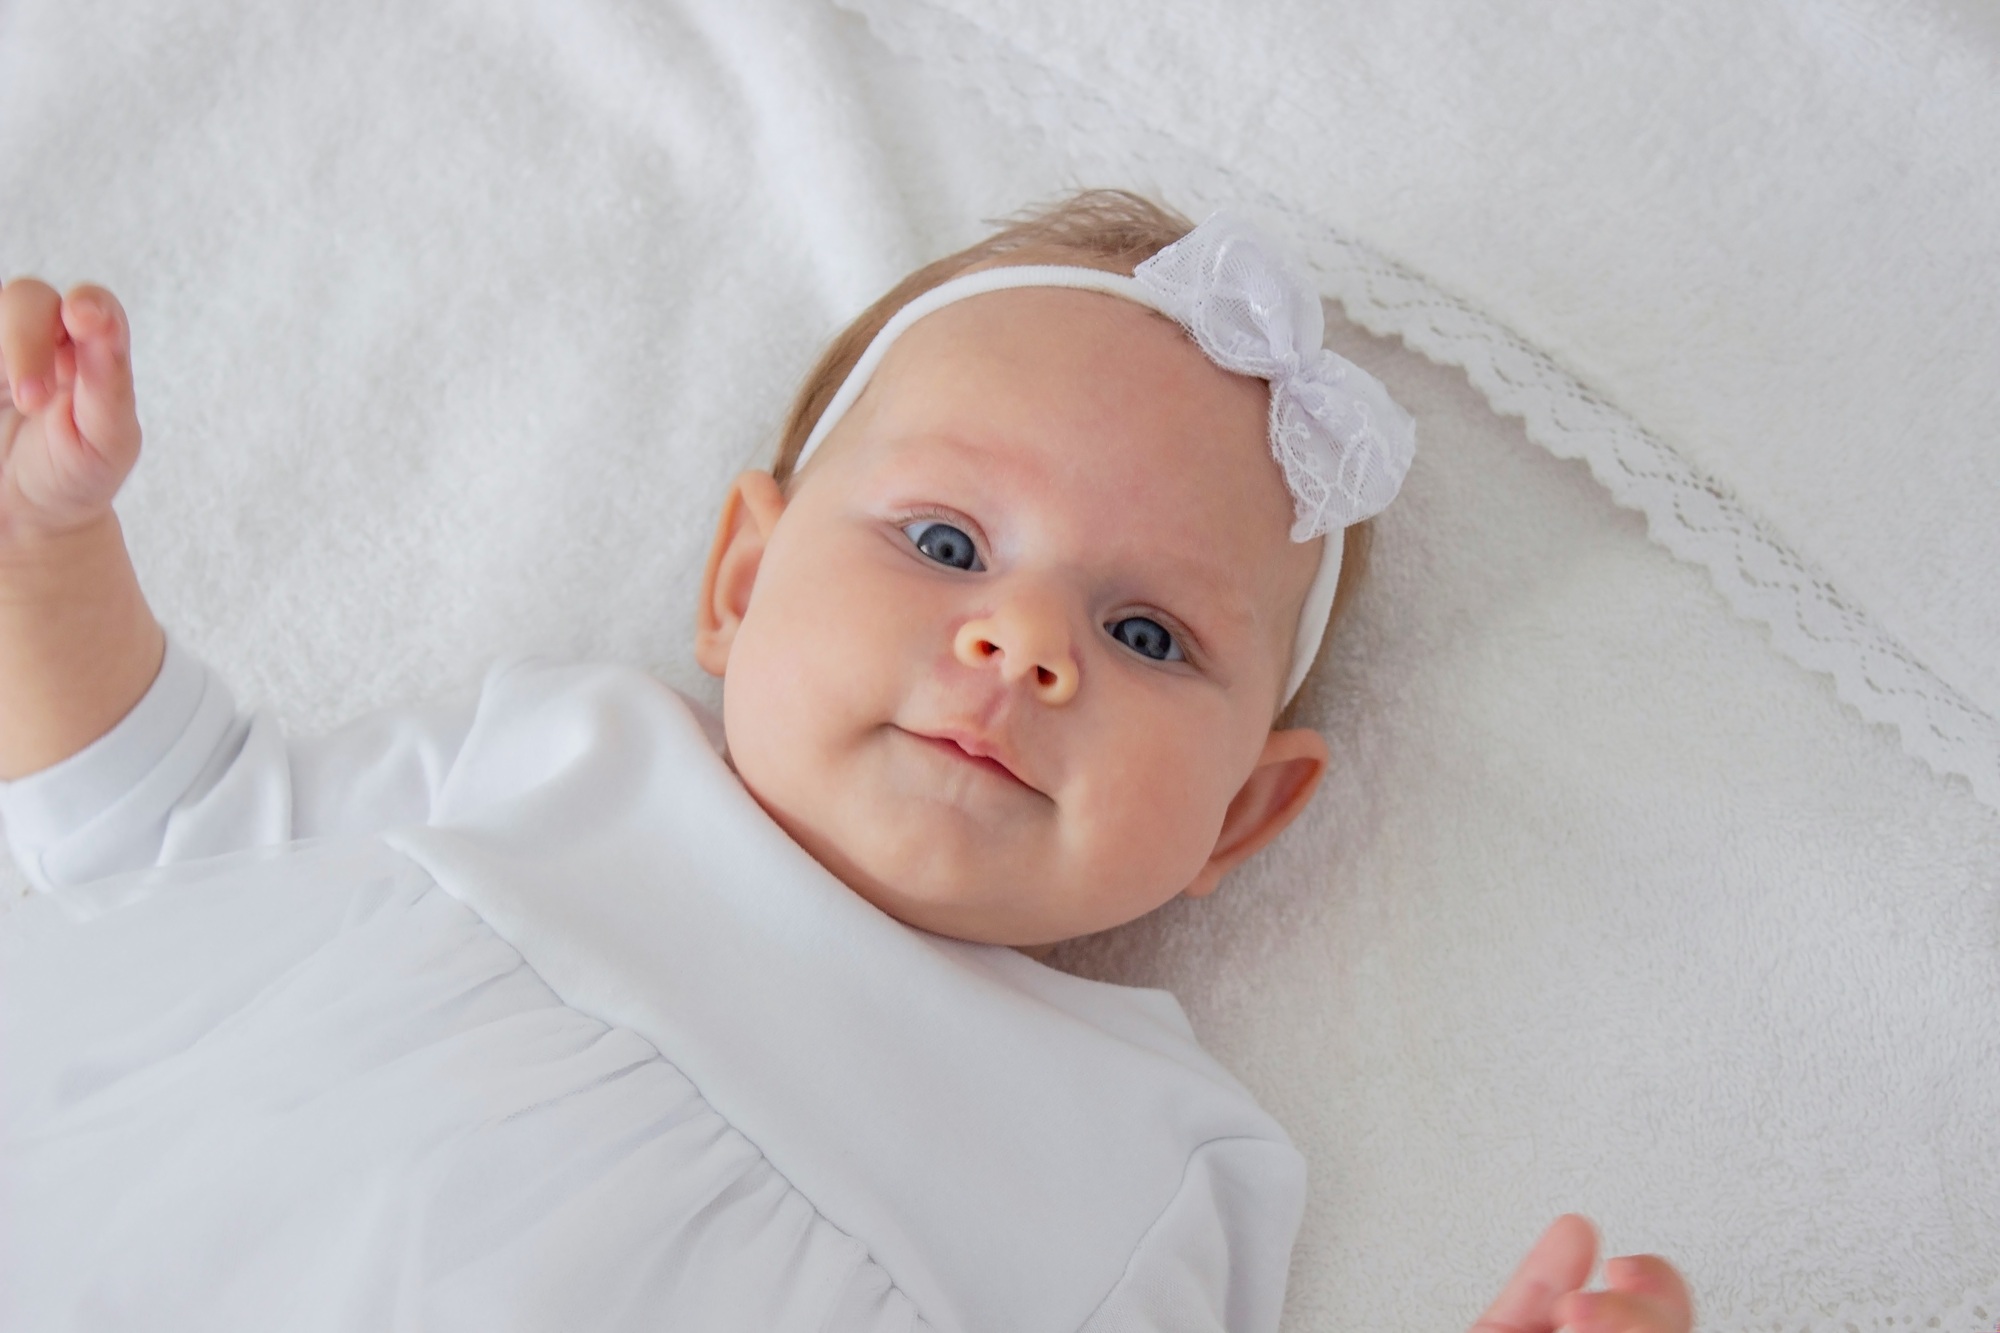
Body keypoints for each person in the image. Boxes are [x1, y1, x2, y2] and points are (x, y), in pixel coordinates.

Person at [0, 192, 1692, 1331]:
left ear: (1243, 814)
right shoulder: (555, 758)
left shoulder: (1170, 1158)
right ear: (743, 581)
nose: (1021, 645)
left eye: (1149, 636)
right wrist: (43, 542)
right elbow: (161, 830)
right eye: (947, 540)